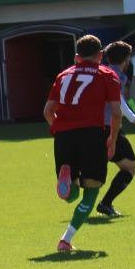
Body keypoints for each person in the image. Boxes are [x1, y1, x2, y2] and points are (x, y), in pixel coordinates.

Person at [44, 34, 123, 253]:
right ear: (100, 55)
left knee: (72, 196)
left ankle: (68, 184)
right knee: (92, 190)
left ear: (77, 58)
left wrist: (58, 131)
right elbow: (116, 113)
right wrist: (112, 139)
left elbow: (48, 111)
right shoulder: (107, 75)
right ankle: (65, 240)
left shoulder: (63, 75)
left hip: (64, 135)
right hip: (92, 135)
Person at [96, 41, 135, 218]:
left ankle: (73, 177)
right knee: (130, 167)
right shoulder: (115, 75)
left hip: (92, 127)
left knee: (95, 170)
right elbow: (117, 99)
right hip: (109, 127)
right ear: (125, 59)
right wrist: (134, 118)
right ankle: (105, 203)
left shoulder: (99, 71)